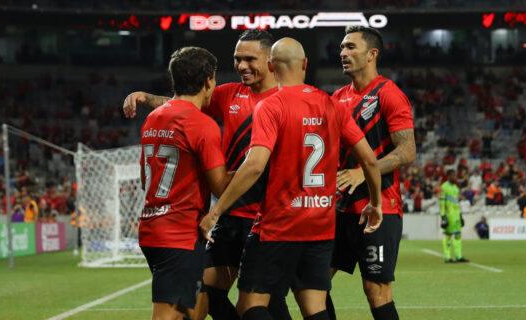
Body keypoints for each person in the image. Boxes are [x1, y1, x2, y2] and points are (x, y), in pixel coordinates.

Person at [199, 38, 382, 320]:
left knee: (249, 305)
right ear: (306, 64)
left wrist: (216, 210)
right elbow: (369, 160)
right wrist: (375, 203)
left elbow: (255, 165)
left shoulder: (271, 106)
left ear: (271, 66)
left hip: (279, 225)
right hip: (320, 224)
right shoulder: (332, 104)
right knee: (314, 306)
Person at [123, 30, 291, 320]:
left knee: (267, 299)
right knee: (207, 294)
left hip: (268, 216)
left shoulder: (286, 100)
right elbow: (184, 103)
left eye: (250, 59)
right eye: (237, 59)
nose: (241, 66)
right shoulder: (228, 94)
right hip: (229, 213)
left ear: (271, 61)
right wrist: (147, 97)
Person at [328, 26, 416, 320]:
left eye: (351, 47)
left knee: (376, 289)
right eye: (342, 47)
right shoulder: (336, 97)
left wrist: (362, 172)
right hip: (340, 209)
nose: (343, 53)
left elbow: (407, 151)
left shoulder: (389, 94)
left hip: (380, 209)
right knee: (310, 283)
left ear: (372, 54)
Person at [138, 46, 230, 320]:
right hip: (177, 234)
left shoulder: (153, 118)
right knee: (168, 314)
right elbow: (220, 186)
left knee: (197, 305)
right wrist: (254, 166)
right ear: (209, 80)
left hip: (153, 226)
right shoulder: (201, 124)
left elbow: (146, 180)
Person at [440, 170, 468, 263]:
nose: (454, 177)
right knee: (448, 235)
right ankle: (447, 257)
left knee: (458, 235)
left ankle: (458, 256)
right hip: (449, 215)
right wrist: (443, 216)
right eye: (452, 175)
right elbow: (441, 202)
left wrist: (460, 215)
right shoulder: (444, 187)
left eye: (455, 175)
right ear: (448, 176)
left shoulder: (456, 188)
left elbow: (456, 203)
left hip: (456, 215)